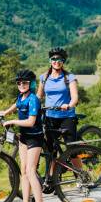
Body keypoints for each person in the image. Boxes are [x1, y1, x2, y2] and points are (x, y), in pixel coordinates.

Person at [0, 69, 47, 202]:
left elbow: (31, 122)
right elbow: (17, 105)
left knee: (31, 171)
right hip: (24, 138)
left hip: (34, 139)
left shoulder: (33, 99)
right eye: (19, 83)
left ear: (30, 84)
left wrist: (12, 121)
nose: (22, 85)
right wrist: (5, 112)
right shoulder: (21, 96)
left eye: (25, 83)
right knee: (23, 172)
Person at [38, 47, 79, 187]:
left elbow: (75, 98)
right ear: (50, 61)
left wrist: (69, 105)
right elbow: (39, 96)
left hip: (66, 116)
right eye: (53, 59)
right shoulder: (44, 78)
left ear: (63, 61)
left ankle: (81, 177)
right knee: (51, 151)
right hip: (49, 117)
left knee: (71, 149)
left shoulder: (70, 78)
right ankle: (53, 179)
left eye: (59, 59)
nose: (56, 61)